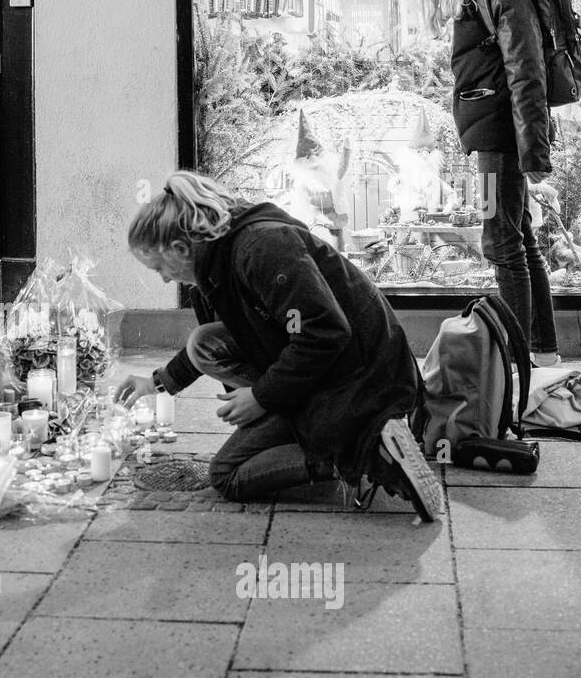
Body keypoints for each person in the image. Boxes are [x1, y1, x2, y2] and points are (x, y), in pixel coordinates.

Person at [116, 172, 444, 522]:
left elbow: (324, 331)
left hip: (363, 377)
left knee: (227, 476)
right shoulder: (219, 259)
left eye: (159, 268)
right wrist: (157, 382)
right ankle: (342, 436)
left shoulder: (260, 247)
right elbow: (241, 335)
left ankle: (363, 452)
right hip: (334, 367)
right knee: (205, 343)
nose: (165, 278)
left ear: (180, 249)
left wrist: (261, 397)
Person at [405, 0, 561, 367]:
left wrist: (534, 151)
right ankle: (542, 351)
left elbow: (526, 67)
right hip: (498, 130)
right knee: (518, 237)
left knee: (500, 241)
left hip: (502, 135)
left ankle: (514, 364)